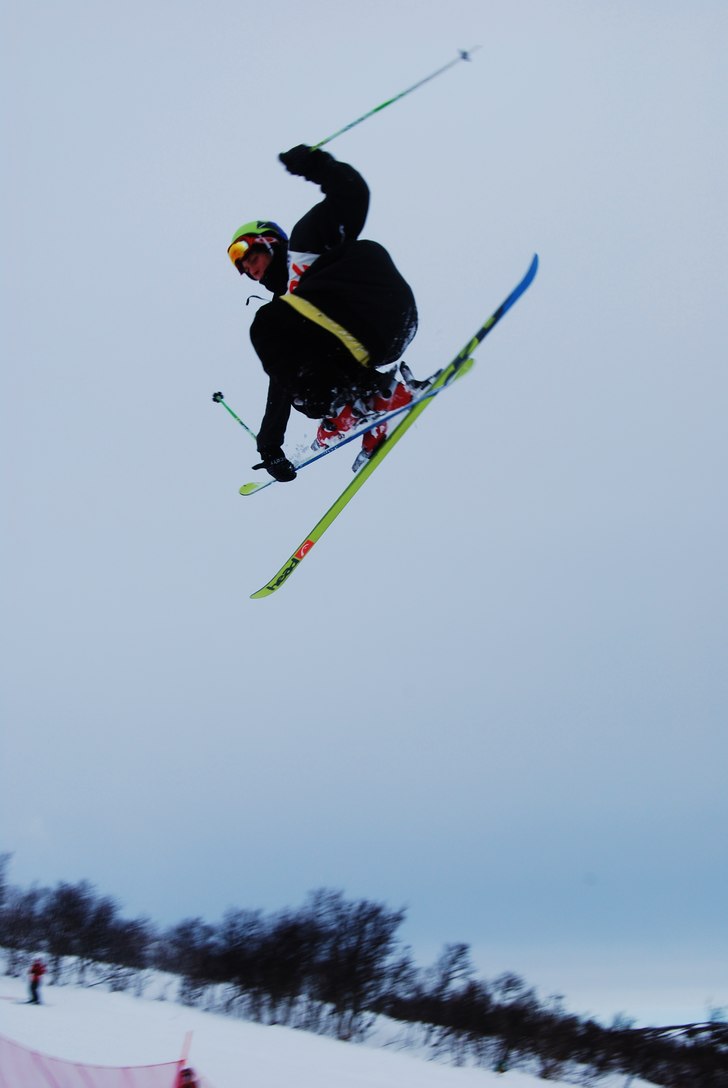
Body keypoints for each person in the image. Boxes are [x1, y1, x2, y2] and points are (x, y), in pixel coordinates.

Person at [228, 144, 420, 481]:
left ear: (271, 242)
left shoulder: (305, 245)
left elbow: (353, 194)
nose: (250, 269)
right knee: (295, 368)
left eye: (251, 256)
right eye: (243, 268)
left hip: (380, 306)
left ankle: (348, 405)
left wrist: (316, 165)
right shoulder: (288, 310)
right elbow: (283, 378)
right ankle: (373, 398)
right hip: (372, 340)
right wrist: (270, 446)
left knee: (268, 327)